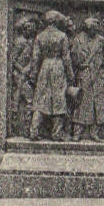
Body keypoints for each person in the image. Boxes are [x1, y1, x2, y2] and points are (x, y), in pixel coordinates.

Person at [29, 11, 76, 141]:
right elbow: (66, 57)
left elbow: (35, 58)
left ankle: (33, 130)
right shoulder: (62, 36)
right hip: (58, 67)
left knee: (40, 99)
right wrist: (71, 75)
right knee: (59, 99)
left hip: (45, 67)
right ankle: (57, 133)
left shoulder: (40, 36)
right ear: (55, 22)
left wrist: (33, 74)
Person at [69, 16, 104, 142]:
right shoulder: (78, 39)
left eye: (96, 28)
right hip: (85, 73)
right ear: (87, 28)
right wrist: (79, 64)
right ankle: (77, 132)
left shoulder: (101, 40)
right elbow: (73, 57)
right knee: (82, 104)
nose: (95, 30)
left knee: (99, 104)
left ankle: (95, 133)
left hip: (98, 75)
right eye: (92, 28)